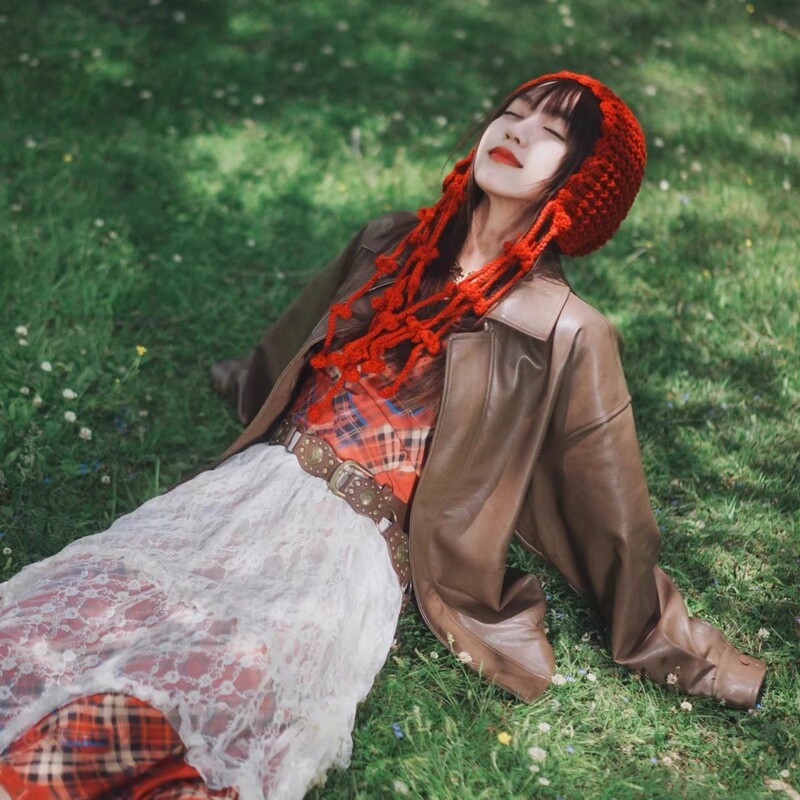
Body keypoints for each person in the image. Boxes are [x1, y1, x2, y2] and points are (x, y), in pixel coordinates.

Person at [0, 71, 766, 800]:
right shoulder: (390, 243)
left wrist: (683, 652)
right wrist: (248, 383)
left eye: (551, 131)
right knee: (69, 620)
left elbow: (610, 511)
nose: (517, 131)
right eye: (514, 112)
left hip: (352, 543)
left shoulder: (567, 331)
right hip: (249, 489)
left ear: (583, 182)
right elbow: (293, 349)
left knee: (195, 677)